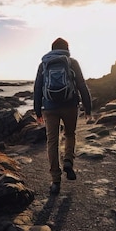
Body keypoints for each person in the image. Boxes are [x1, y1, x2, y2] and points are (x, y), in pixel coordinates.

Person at [34, 37, 92, 194]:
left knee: (52, 141)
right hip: (70, 105)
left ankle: (55, 180)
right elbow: (81, 85)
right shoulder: (72, 62)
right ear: (67, 48)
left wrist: (37, 110)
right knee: (70, 135)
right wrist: (88, 108)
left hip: (49, 107)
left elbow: (38, 87)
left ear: (52, 48)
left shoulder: (44, 64)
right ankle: (68, 161)